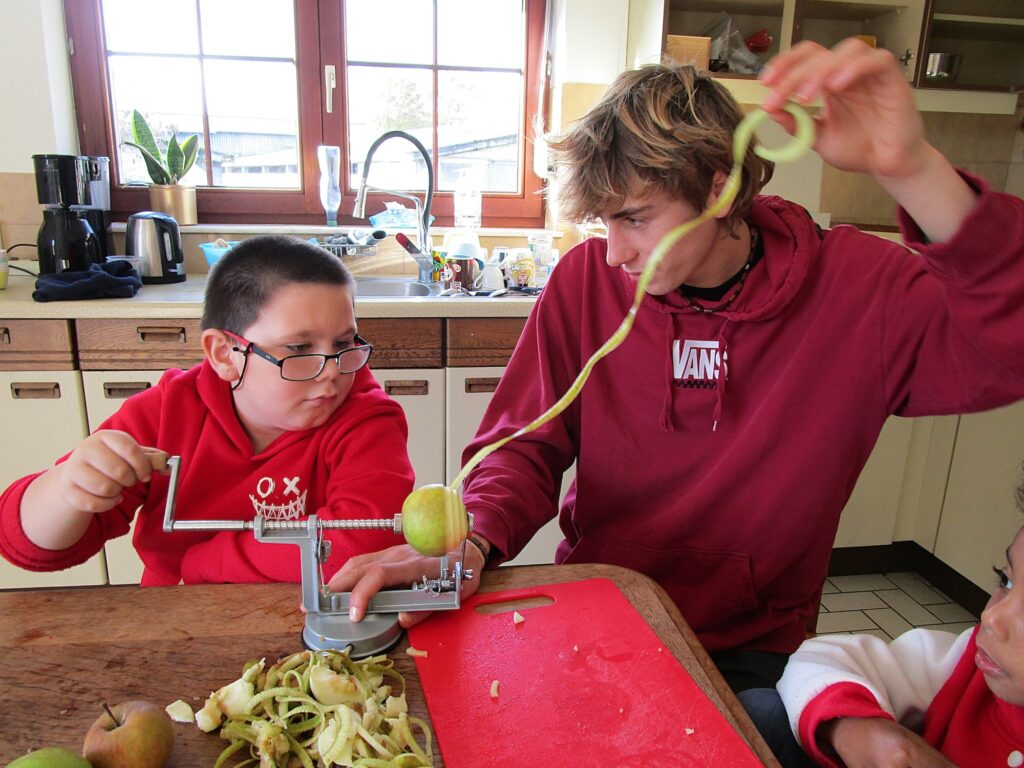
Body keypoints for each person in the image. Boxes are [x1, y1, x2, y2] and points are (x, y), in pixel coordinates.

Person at [329, 39, 1024, 763]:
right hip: (597, 610)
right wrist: (470, 542)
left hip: (752, 646)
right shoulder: (584, 285)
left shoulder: (860, 292)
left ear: (719, 189)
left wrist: (911, 169)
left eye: (634, 218)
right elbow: (525, 446)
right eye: (601, 223)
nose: (613, 253)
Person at [0, 235, 414, 585]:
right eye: (299, 349)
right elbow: (30, 546)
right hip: (184, 628)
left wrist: (198, 564)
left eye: (343, 344)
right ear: (224, 353)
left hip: (321, 627)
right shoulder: (165, 413)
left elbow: (363, 541)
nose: (331, 373)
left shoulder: (366, 418)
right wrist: (67, 489)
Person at [777, 479, 1024, 767]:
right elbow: (816, 661)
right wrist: (855, 730)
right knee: (763, 709)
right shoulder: (966, 665)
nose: (990, 616)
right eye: (1006, 580)